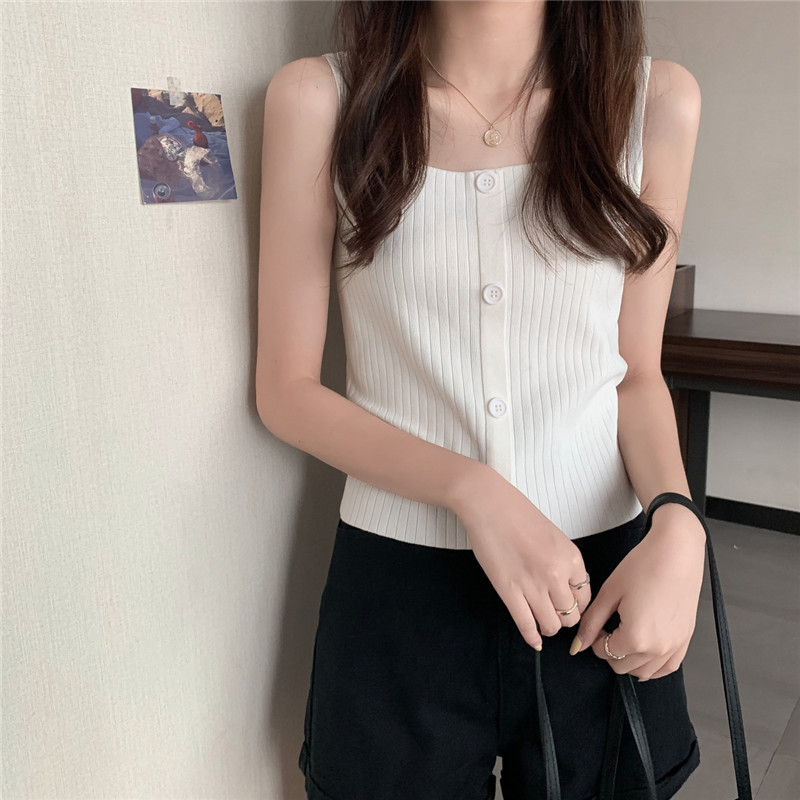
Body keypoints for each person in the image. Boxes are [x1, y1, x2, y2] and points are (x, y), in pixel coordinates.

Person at [256, 1, 704, 798]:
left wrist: (679, 522)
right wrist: (472, 490)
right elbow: (286, 391)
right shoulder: (320, 100)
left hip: (599, 583)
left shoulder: (653, 103)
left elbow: (635, 373)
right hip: (398, 591)